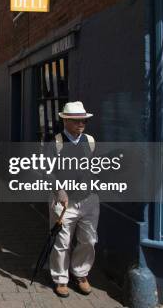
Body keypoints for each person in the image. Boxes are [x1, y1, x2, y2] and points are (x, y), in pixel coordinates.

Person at [49, 101, 98, 298]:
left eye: (84, 120)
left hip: (88, 200)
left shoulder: (90, 141)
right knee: (62, 242)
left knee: (89, 240)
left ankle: (80, 273)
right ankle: (61, 278)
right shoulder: (56, 143)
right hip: (63, 202)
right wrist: (59, 190)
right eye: (77, 120)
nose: (82, 123)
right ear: (66, 121)